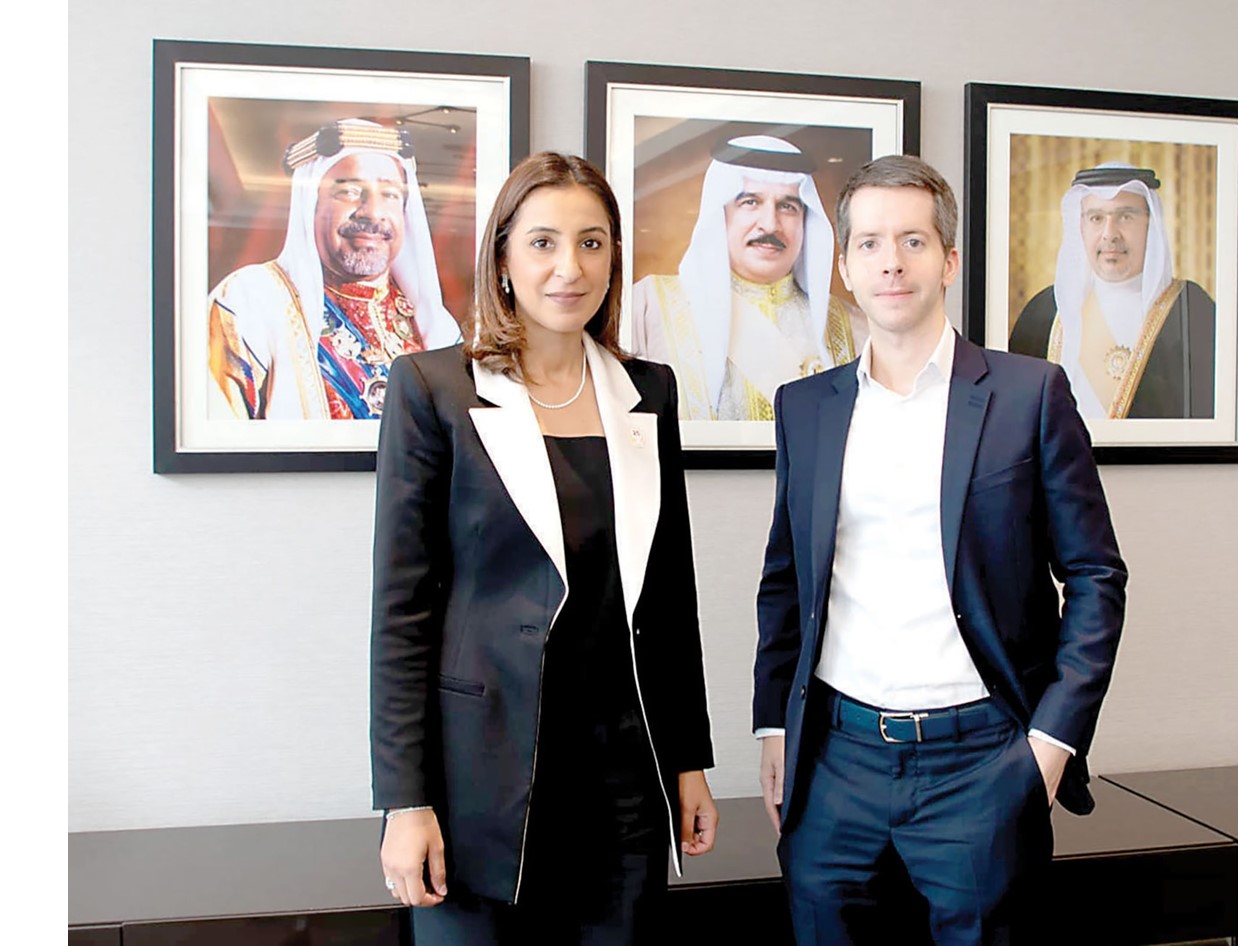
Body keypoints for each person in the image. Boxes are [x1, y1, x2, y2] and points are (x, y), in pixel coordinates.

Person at [753, 155, 1128, 945]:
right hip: (834, 764)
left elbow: (1096, 575)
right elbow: (785, 581)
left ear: (949, 261)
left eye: (913, 241)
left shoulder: (1030, 394)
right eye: (870, 243)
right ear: (846, 267)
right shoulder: (805, 408)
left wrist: (1050, 746)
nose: (891, 261)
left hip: (983, 762)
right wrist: (774, 728)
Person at [370, 151, 718, 944]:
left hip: (623, 781)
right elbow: (400, 613)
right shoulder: (433, 390)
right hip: (478, 781)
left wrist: (687, 758)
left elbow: (670, 594)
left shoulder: (649, 392)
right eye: (543, 243)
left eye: (592, 243)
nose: (571, 267)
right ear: (502, 258)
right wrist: (404, 801)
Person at [208, 118, 461, 420]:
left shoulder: (437, 328)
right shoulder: (251, 300)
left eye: (390, 195)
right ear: (311, 204)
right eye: (350, 191)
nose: (373, 212)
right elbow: (215, 434)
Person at [632, 134, 868, 421]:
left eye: (788, 207)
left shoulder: (855, 326)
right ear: (721, 214)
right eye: (750, 202)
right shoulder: (648, 307)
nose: (770, 224)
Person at [1009, 162, 1215, 419]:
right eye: (1096, 218)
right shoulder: (1044, 313)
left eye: (1125, 217)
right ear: (1081, 228)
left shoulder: (1192, 310)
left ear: (1150, 225)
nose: (1110, 234)